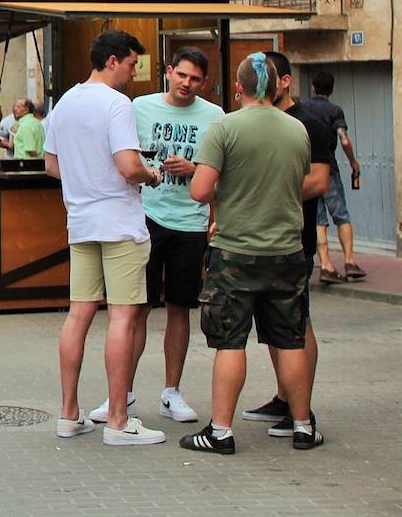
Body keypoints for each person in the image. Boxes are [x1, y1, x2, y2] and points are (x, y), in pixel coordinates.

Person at [180, 53, 322, 454]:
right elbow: (296, 181)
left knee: (230, 342)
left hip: (236, 252)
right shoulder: (297, 129)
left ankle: (221, 432)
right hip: (287, 251)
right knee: (290, 339)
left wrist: (226, 185)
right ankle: (303, 426)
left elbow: (200, 191)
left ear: (239, 88)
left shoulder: (225, 128)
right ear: (276, 87)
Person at [44, 30, 165, 445]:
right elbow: (129, 166)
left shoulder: (64, 102)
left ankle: (68, 414)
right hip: (119, 222)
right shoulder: (117, 104)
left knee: (78, 315)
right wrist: (152, 174)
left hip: (81, 221)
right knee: (123, 317)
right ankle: (118, 420)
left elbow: (51, 165)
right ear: (112, 61)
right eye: (131, 64)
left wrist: (85, 176)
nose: (133, 73)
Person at [98, 48, 223, 426]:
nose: (187, 83)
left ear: (204, 83)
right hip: (146, 218)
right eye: (182, 75)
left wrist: (194, 168)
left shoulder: (215, 116)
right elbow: (121, 155)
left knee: (180, 308)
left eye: (195, 79)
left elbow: (223, 170)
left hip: (190, 222)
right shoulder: (139, 107)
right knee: (136, 308)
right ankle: (122, 395)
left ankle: (172, 392)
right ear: (169, 72)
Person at [238, 51, 331, 437]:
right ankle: (284, 396)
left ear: (284, 81)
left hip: (295, 240)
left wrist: (269, 193)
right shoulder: (255, 122)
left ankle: (301, 410)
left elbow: (319, 181)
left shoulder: (308, 124)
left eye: (268, 76)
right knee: (274, 326)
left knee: (297, 324)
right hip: (259, 241)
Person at [304, 72, 365, 283]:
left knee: (318, 219)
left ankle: (326, 265)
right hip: (329, 169)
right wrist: (353, 162)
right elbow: (344, 140)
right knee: (341, 215)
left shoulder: (303, 109)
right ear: (331, 89)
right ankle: (349, 262)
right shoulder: (335, 110)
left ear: (313, 87)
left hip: (308, 171)